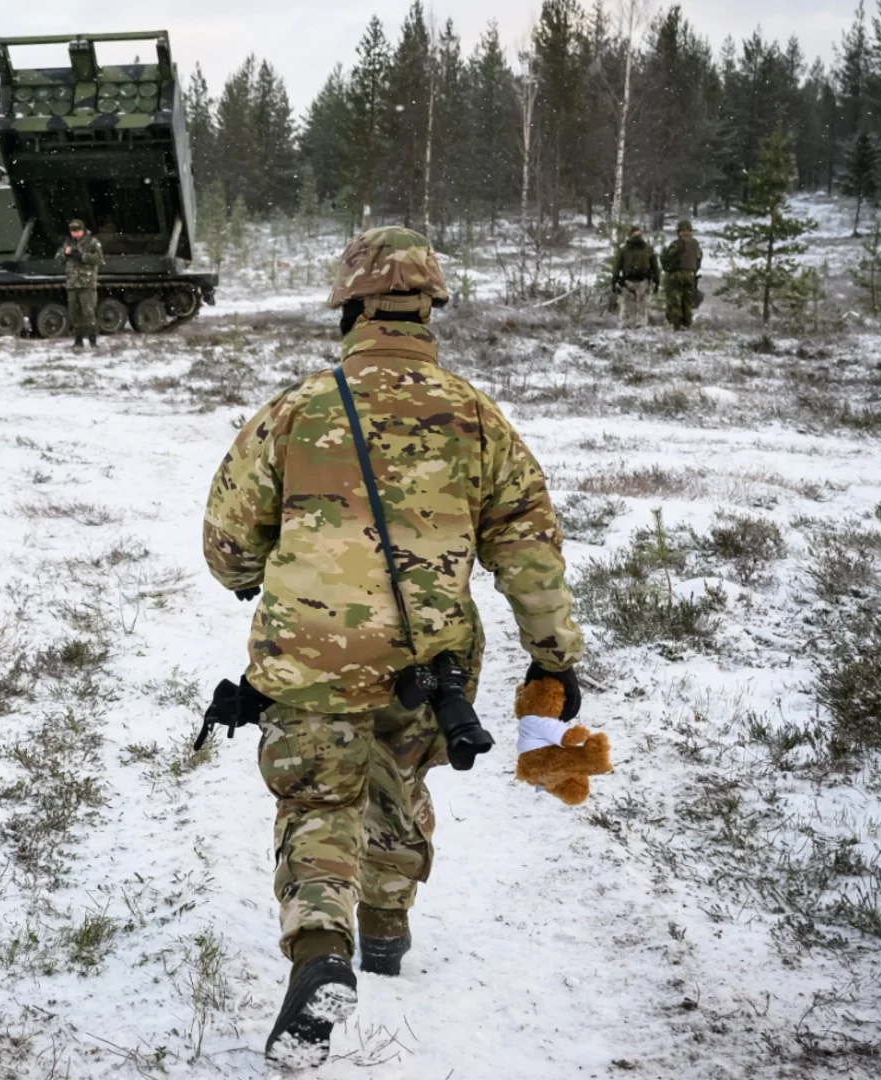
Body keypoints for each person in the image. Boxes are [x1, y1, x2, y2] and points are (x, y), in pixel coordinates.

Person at [202, 227, 591, 1067]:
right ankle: (383, 933)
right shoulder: (480, 419)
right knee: (399, 783)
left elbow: (227, 542)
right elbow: (529, 550)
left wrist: (253, 577)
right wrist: (553, 654)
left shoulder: (295, 411)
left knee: (318, 802)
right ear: (430, 308)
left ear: (348, 308)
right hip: (428, 667)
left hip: (306, 664)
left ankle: (321, 954)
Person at [59, 218, 103, 348]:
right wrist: (65, 254)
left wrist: (81, 256)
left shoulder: (92, 242)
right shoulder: (68, 242)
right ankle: (78, 341)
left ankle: (93, 341)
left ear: (83, 230)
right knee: (74, 313)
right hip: (72, 284)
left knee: (88, 313)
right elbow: (58, 259)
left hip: (86, 283)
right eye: (73, 231)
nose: (75, 234)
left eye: (77, 231)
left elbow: (99, 259)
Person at [613, 225, 660, 328]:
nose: (637, 236)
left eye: (639, 234)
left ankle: (641, 326)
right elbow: (617, 266)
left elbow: (655, 266)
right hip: (627, 282)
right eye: (634, 234)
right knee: (625, 305)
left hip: (643, 281)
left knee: (643, 304)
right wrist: (614, 280)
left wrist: (657, 280)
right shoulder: (624, 250)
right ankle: (625, 325)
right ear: (630, 235)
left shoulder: (648, 249)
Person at [662, 219, 703, 330]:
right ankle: (686, 324)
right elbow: (699, 260)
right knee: (687, 301)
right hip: (691, 275)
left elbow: (667, 258)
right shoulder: (696, 244)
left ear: (679, 231)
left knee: (674, 300)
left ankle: (676, 325)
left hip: (676, 274)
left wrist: (667, 268)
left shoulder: (676, 244)